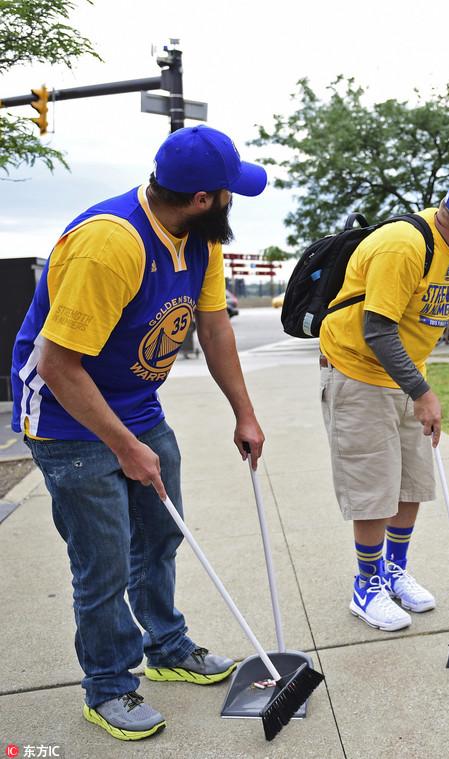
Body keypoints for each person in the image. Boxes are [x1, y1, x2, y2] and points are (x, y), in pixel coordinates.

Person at [10, 125, 268, 741]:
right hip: (66, 418)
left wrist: (245, 412)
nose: (235, 202)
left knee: (159, 534)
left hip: (135, 405)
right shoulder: (110, 246)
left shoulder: (197, 241)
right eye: (230, 192)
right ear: (204, 197)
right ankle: (108, 687)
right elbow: (57, 365)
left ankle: (167, 647)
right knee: (101, 561)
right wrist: (125, 448)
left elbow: (214, 329)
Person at [318, 171, 449, 632]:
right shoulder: (403, 246)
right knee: (374, 489)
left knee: (411, 482)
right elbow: (378, 329)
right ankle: (366, 585)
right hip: (358, 374)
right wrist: (423, 394)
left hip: (405, 377)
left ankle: (392, 569)